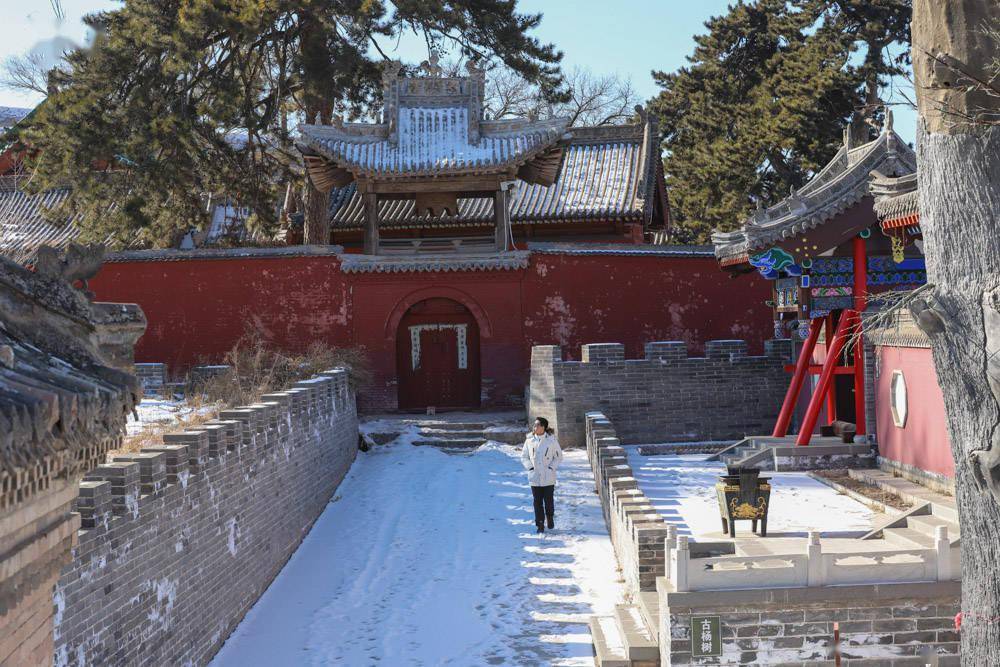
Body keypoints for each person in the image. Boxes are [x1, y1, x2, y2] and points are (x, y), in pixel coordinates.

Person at [521, 417, 563, 533]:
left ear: (544, 427)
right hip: (534, 476)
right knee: (537, 501)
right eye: (534, 425)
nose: (535, 427)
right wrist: (530, 467)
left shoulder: (551, 441)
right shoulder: (529, 441)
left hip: (548, 476)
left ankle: (549, 517)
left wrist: (551, 468)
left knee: (548, 500)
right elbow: (524, 456)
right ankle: (539, 523)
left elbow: (558, 457)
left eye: (538, 425)